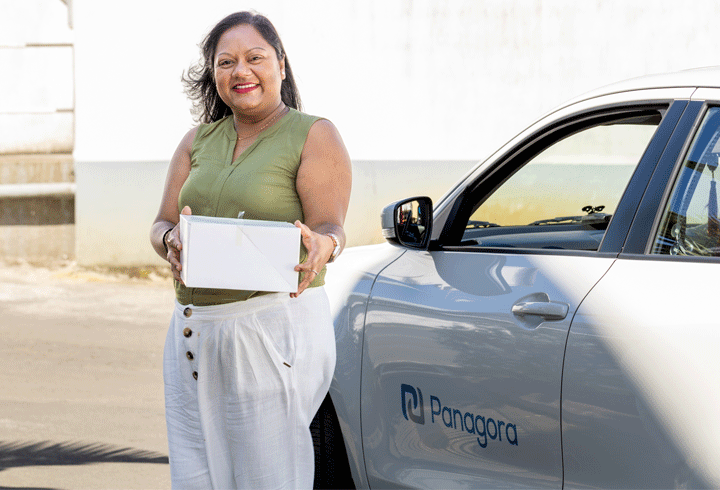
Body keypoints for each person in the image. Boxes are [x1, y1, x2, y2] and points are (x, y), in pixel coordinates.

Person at [149, 11, 351, 489]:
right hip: (192, 332)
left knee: (268, 476)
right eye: (226, 62)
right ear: (213, 74)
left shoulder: (312, 134)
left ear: (280, 64)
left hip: (272, 328)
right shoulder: (197, 140)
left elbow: (329, 227)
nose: (240, 71)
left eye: (254, 57)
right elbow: (162, 223)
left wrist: (326, 244)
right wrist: (169, 240)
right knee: (196, 475)